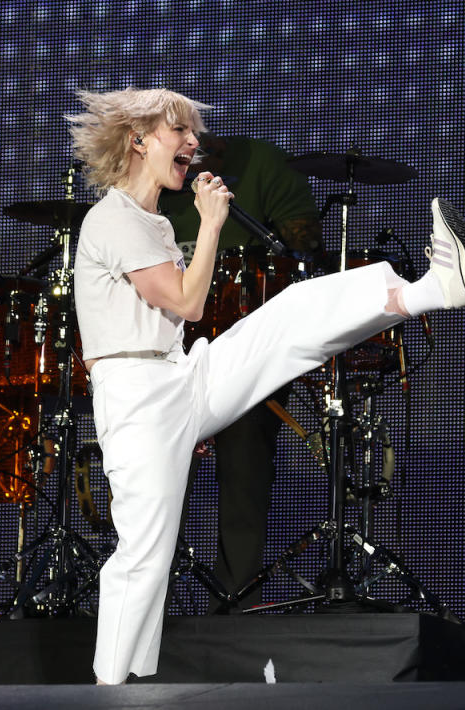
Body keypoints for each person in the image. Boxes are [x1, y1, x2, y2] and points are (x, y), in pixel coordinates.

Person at [68, 87, 465, 685]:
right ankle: (110, 689)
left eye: (194, 132)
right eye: (178, 132)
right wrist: (211, 223)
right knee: (143, 554)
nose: (194, 143)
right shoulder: (113, 217)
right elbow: (187, 302)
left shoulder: (152, 221)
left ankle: (426, 292)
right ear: (137, 141)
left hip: (175, 373)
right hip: (136, 396)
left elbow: (182, 314)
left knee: (287, 317)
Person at [158, 133, 323, 610]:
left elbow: (305, 245)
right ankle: (149, 604)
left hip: (248, 345)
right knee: (157, 478)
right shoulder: (152, 174)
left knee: (245, 470)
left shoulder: (264, 162)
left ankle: (234, 604)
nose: (187, 139)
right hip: (166, 345)